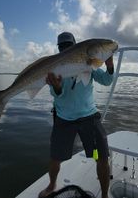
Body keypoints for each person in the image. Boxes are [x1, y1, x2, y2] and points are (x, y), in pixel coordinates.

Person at [39, 32, 114, 198]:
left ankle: (104, 195)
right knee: (56, 157)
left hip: (89, 117)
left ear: (76, 46)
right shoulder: (56, 67)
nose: (66, 48)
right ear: (59, 49)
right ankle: (52, 185)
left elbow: (107, 81)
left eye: (69, 45)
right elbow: (57, 93)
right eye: (62, 46)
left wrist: (110, 66)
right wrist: (57, 86)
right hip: (64, 119)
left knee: (99, 156)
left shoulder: (90, 63)